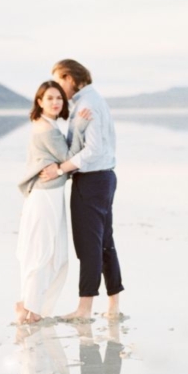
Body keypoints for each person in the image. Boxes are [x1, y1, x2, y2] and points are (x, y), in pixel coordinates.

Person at [39, 59, 123, 320]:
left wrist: (60, 169)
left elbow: (93, 149)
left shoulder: (87, 104)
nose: (58, 87)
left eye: (58, 80)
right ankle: (113, 306)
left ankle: (84, 310)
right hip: (104, 178)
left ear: (69, 77)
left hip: (92, 181)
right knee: (104, 244)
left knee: (89, 246)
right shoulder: (92, 100)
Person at [15, 81, 72, 324]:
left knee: (43, 250)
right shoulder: (46, 129)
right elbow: (71, 159)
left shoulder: (47, 125)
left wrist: (59, 169)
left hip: (46, 195)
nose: (55, 102)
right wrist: (62, 169)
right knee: (45, 251)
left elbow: (63, 163)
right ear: (39, 102)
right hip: (45, 197)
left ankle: (27, 305)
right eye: (49, 98)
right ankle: (31, 308)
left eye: (59, 98)